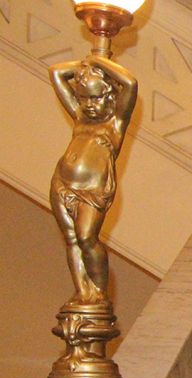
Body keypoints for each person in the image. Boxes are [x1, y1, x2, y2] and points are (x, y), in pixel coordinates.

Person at [49, 55, 137, 305]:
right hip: (62, 184)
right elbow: (55, 72)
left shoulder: (115, 123)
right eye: (83, 97)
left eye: (95, 98)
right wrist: (86, 67)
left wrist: (97, 60)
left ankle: (98, 293)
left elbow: (130, 84)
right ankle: (82, 292)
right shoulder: (80, 117)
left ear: (109, 97)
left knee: (87, 237)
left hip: (93, 190)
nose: (89, 104)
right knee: (71, 240)